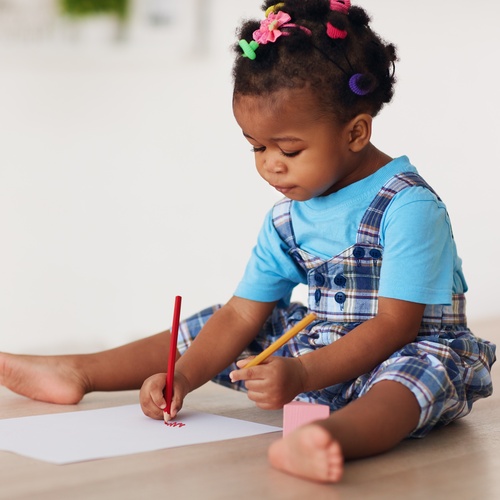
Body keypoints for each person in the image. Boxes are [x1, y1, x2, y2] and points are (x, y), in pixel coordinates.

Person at [0, 0, 496, 484]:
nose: (269, 165)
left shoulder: (408, 206)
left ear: (356, 132)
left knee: (414, 376)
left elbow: (394, 326)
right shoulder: (288, 217)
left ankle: (331, 439)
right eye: (256, 146)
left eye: (289, 148)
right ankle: (80, 372)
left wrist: (301, 376)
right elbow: (242, 313)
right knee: (217, 321)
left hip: (400, 348)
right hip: (322, 350)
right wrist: (186, 379)